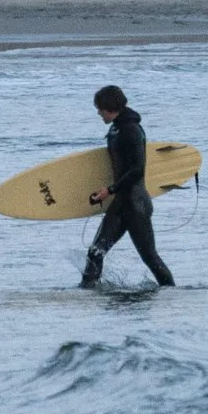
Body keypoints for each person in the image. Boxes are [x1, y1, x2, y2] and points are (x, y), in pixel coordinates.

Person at [81, 82, 176, 287]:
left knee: (149, 257)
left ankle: (170, 291)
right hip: (122, 202)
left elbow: (137, 170)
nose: (98, 113)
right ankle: (87, 291)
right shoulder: (117, 128)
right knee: (95, 251)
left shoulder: (131, 130)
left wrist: (110, 190)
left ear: (111, 107)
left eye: (100, 108)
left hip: (135, 205)